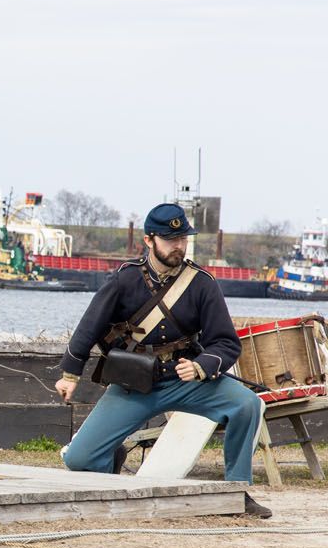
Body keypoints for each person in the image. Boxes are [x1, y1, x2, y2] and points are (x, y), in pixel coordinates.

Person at [54, 202, 271, 517]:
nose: (179, 246)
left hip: (187, 381)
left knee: (247, 404)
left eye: (183, 239)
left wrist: (202, 365)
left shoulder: (202, 284)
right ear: (148, 240)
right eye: (171, 240)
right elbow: (89, 327)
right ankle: (112, 460)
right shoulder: (124, 280)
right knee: (79, 459)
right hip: (135, 384)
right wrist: (69, 375)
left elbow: (225, 342)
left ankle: (235, 492)